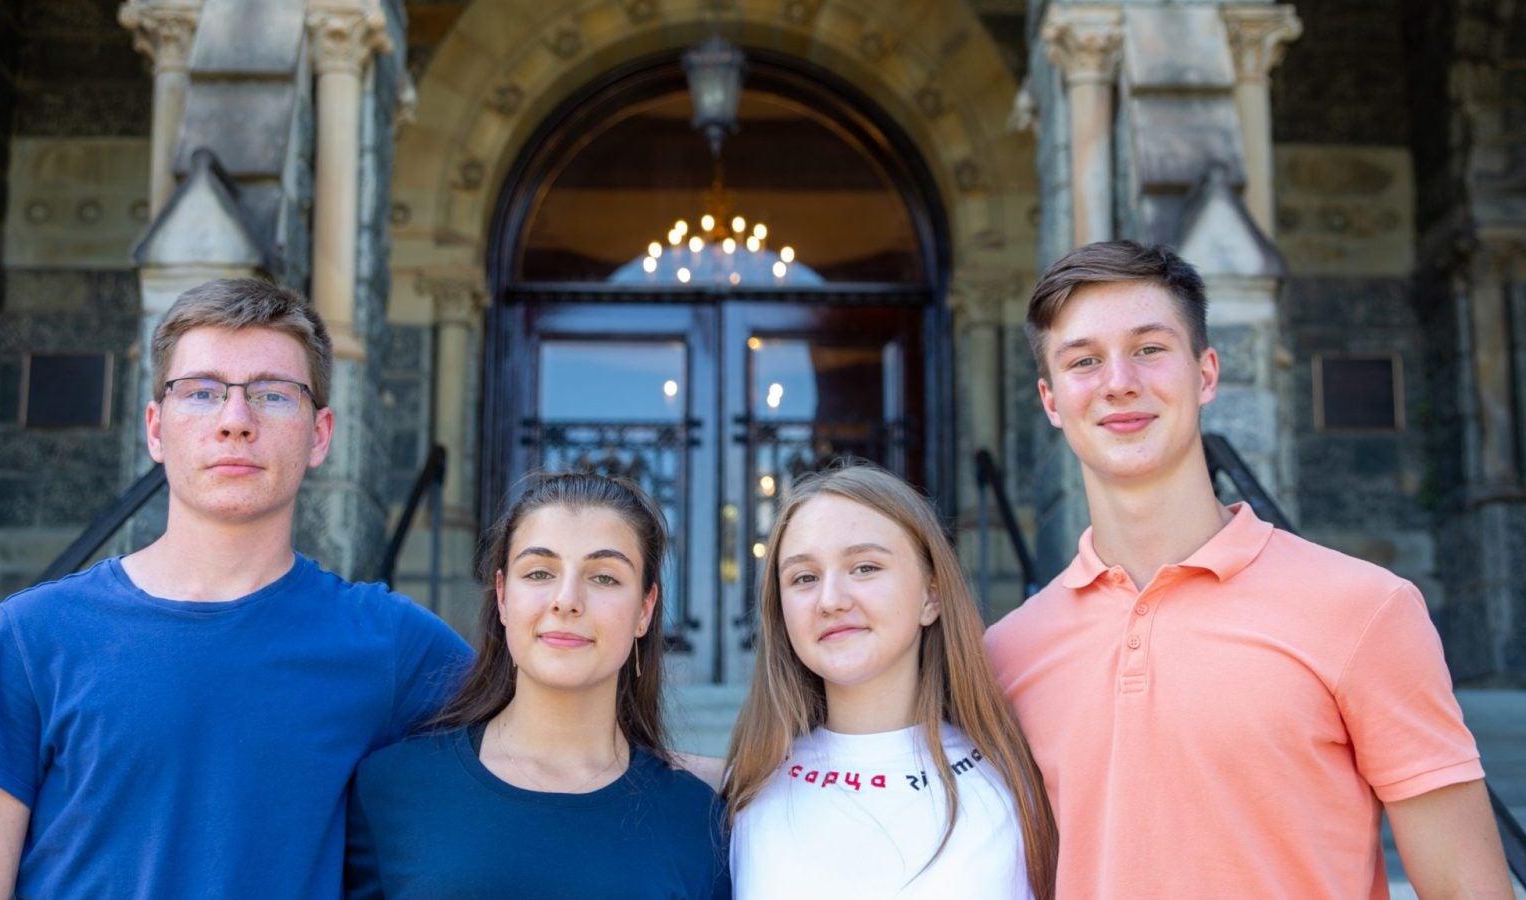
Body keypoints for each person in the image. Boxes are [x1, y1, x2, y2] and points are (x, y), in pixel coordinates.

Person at [985, 240, 1513, 898]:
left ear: (1206, 374)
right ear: (1052, 400)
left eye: (1150, 349)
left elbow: (1468, 888)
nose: (1118, 380)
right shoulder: (1005, 654)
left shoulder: (1363, 609)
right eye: (1084, 361)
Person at [0, 279, 472, 899]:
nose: (235, 421)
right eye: (203, 392)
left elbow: (545, 749)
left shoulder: (389, 643)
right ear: (156, 429)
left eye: (272, 394)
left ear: (319, 434)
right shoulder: (33, 634)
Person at [345, 472, 730, 899]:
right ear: (503, 595)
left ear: (645, 608)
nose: (566, 600)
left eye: (604, 577)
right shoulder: (391, 787)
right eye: (539, 572)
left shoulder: (698, 819)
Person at [725, 463, 1058, 899]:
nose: (830, 600)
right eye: (804, 578)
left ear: (931, 595)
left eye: (864, 568)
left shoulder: (1016, 782)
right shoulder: (747, 790)